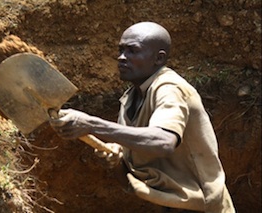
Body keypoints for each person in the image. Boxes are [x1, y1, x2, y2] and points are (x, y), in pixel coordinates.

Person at [49, 22, 235, 213]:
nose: (122, 57)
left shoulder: (170, 89)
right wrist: (116, 162)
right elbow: (129, 181)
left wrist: (91, 124)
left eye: (132, 51)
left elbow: (163, 142)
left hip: (204, 207)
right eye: (121, 50)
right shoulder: (130, 99)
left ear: (158, 58)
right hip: (174, 206)